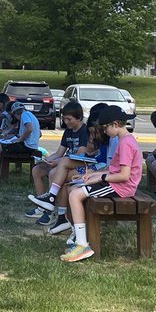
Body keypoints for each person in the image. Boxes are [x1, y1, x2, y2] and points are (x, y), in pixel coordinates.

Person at [59, 105, 143, 263]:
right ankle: (79, 237)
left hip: (121, 188)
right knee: (75, 187)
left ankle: (82, 244)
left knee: (75, 194)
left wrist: (101, 178)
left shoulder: (124, 144)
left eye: (105, 128)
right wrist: (94, 174)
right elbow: (114, 168)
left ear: (115, 125)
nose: (104, 132)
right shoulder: (125, 140)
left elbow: (124, 175)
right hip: (117, 184)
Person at [26, 101, 88, 225]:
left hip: (78, 165)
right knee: (37, 170)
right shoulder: (68, 132)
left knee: (53, 172)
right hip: (64, 162)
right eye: (64, 119)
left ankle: (52, 211)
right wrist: (47, 160)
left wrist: (57, 162)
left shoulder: (84, 131)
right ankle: (42, 206)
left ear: (79, 117)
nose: (66, 122)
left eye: (69, 119)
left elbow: (79, 156)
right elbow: (59, 153)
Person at [0, 99, 43, 183]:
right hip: (29, 145)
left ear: (16, 113)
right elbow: (38, 133)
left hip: (27, 146)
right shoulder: (30, 115)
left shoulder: (24, 115)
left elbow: (29, 129)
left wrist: (19, 139)